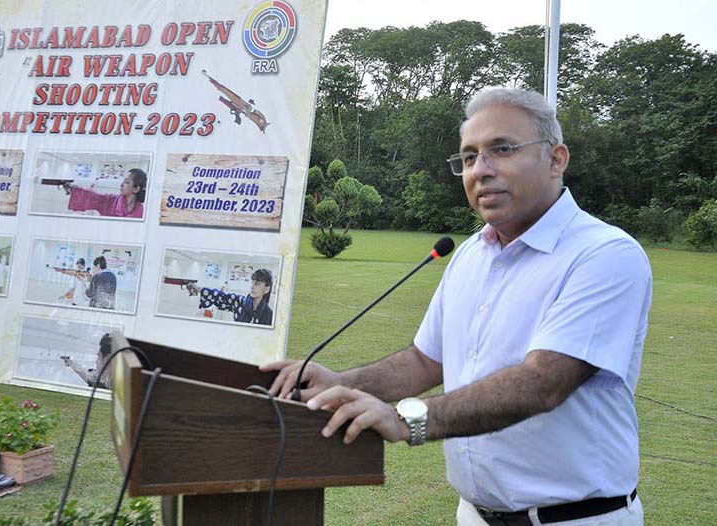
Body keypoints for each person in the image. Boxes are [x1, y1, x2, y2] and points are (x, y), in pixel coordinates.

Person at [263, 88, 651, 525]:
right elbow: (426, 360)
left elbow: (544, 383)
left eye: (501, 150)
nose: (480, 171)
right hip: (475, 515)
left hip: (574, 518)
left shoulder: (603, 254)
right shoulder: (470, 254)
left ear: (556, 158)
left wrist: (406, 419)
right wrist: (342, 381)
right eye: (468, 158)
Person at [189, 268, 274, 326]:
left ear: (266, 289)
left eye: (258, 284)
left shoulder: (270, 315)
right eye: (253, 282)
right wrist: (199, 289)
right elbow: (221, 297)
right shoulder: (240, 302)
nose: (252, 286)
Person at [64, 168, 147, 218]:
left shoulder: (141, 212)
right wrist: (73, 189)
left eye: (126, 182)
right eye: (123, 181)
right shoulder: (111, 200)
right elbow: (95, 198)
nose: (121, 184)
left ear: (136, 189)